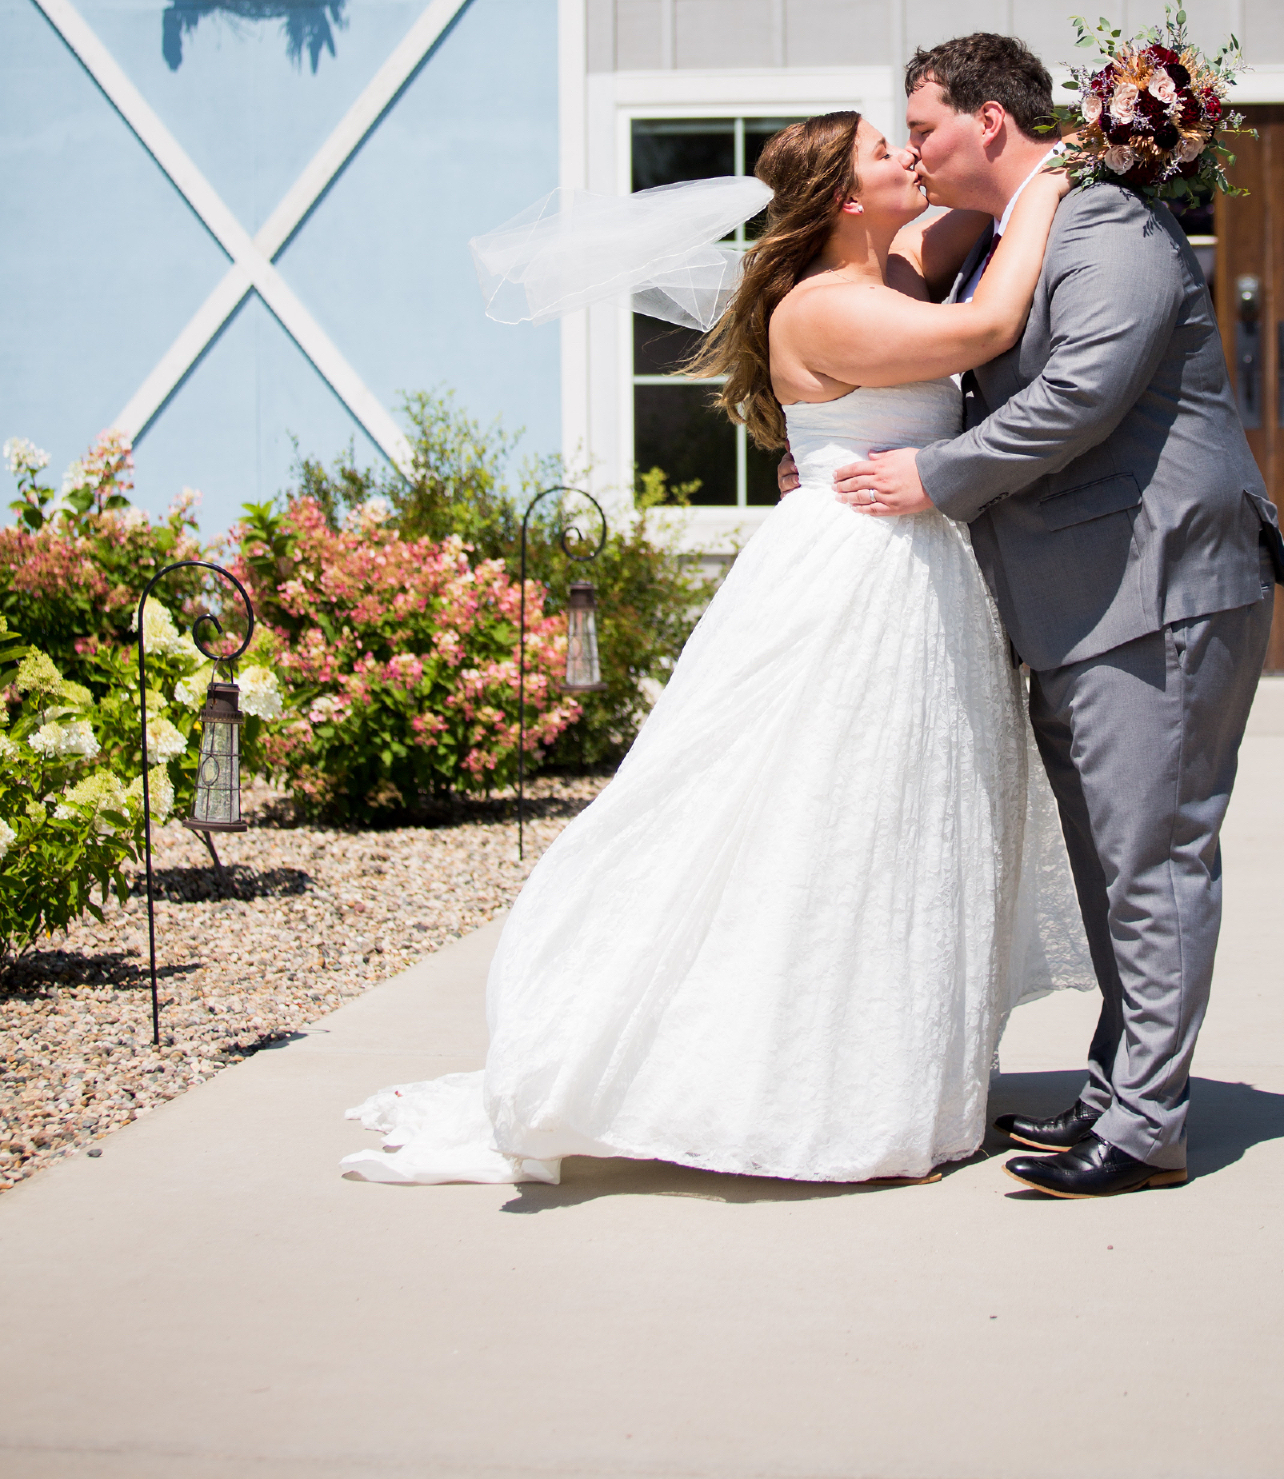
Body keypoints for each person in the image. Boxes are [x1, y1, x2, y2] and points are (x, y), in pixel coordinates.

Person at [343, 113, 1086, 1189]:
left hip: (917, 576)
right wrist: (1053, 182)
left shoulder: (889, 270)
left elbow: (960, 240)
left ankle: (897, 1069)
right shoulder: (826, 308)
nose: (907, 160)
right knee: (826, 817)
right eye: (887, 152)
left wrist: (1016, 171)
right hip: (850, 578)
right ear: (841, 196)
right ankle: (809, 1087)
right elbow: (990, 327)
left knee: (904, 819)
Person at [834, 32, 1284, 1202]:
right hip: (1076, 601)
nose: (917, 151)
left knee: (1153, 856)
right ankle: (1123, 1080)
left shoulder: (1107, 230)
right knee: (1109, 864)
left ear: (991, 121)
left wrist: (934, 481)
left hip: (1161, 590)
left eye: (926, 126)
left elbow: (1082, 390)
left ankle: (1146, 1129)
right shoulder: (1006, 229)